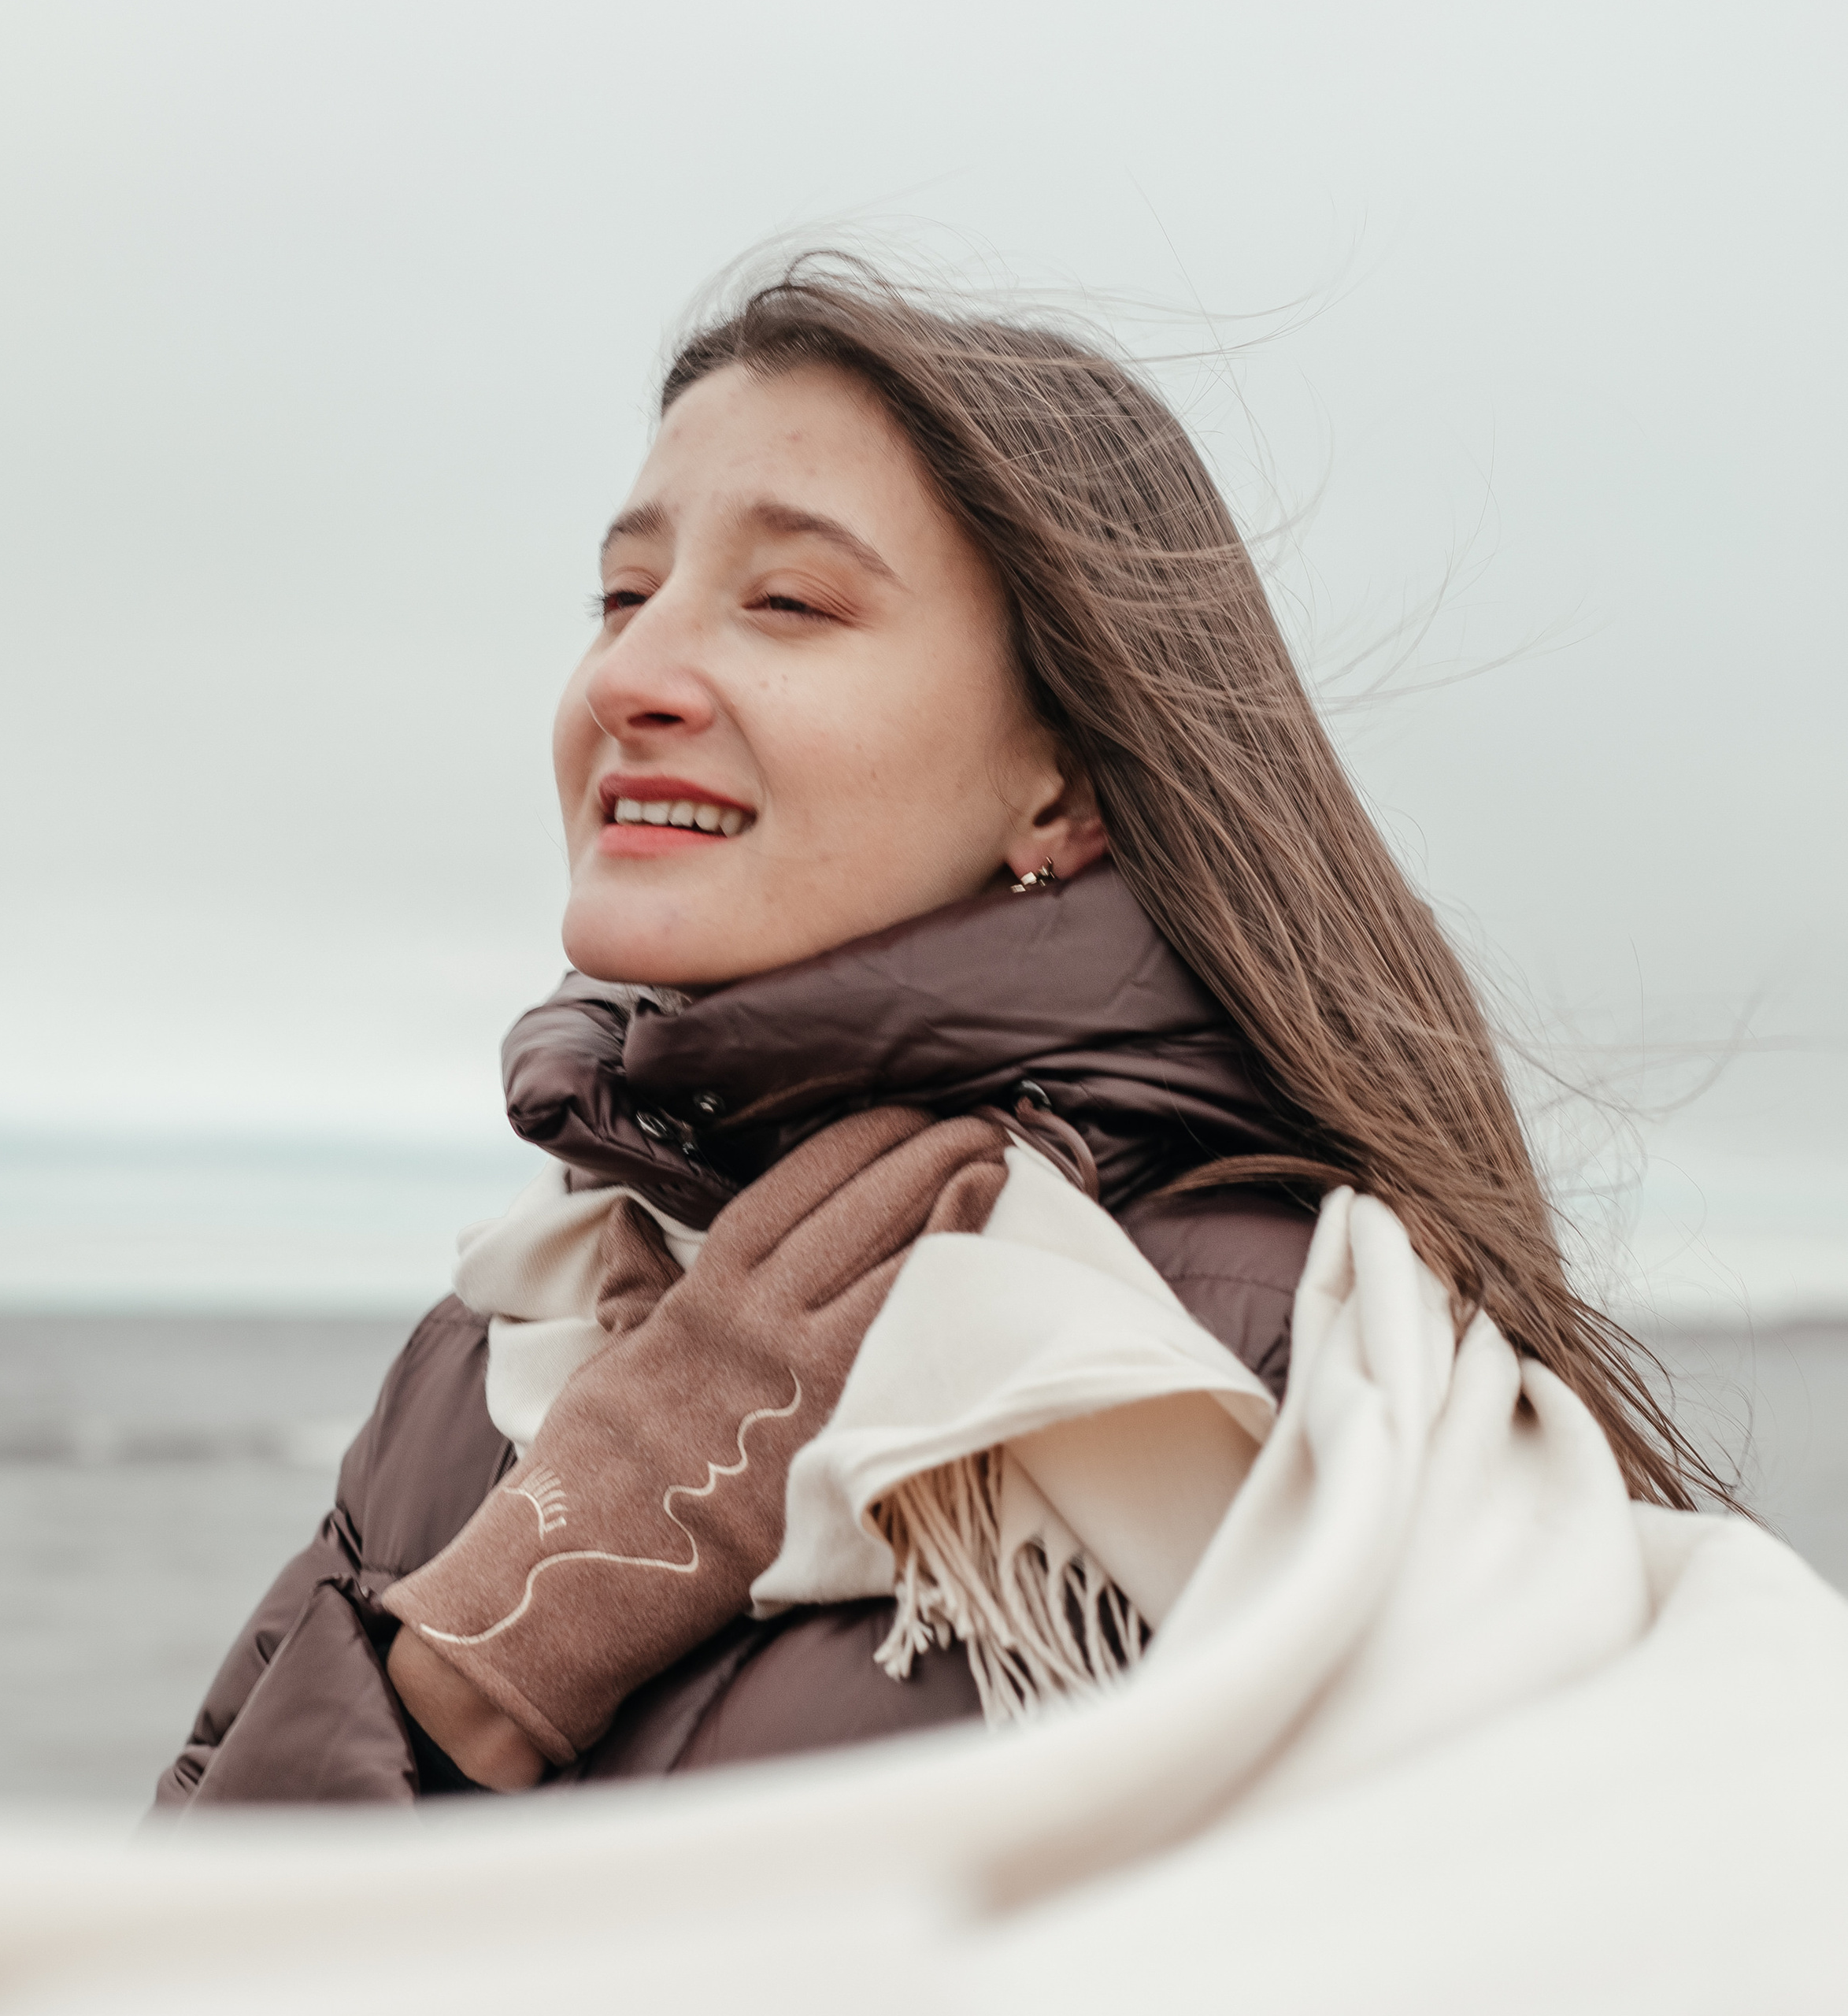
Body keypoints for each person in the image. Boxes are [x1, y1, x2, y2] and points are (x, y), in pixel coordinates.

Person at [157, 260, 1714, 1814]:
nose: (627, 675)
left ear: (1060, 783)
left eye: (787, 602)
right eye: (622, 596)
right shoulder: (485, 1355)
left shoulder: (1269, 1360)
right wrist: (472, 1669)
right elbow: (162, 1995)